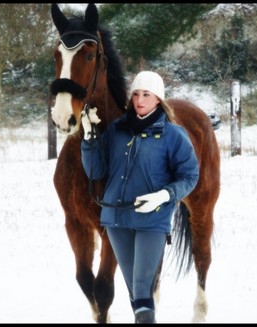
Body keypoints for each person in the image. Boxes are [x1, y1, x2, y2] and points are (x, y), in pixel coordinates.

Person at [81, 71, 199, 323]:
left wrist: (164, 195)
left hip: (152, 220)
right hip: (116, 219)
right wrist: (90, 137)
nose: (139, 100)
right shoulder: (117, 130)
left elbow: (190, 176)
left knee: (143, 287)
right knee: (135, 291)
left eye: (146, 94)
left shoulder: (173, 135)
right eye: (136, 94)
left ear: (158, 99)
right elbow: (97, 170)